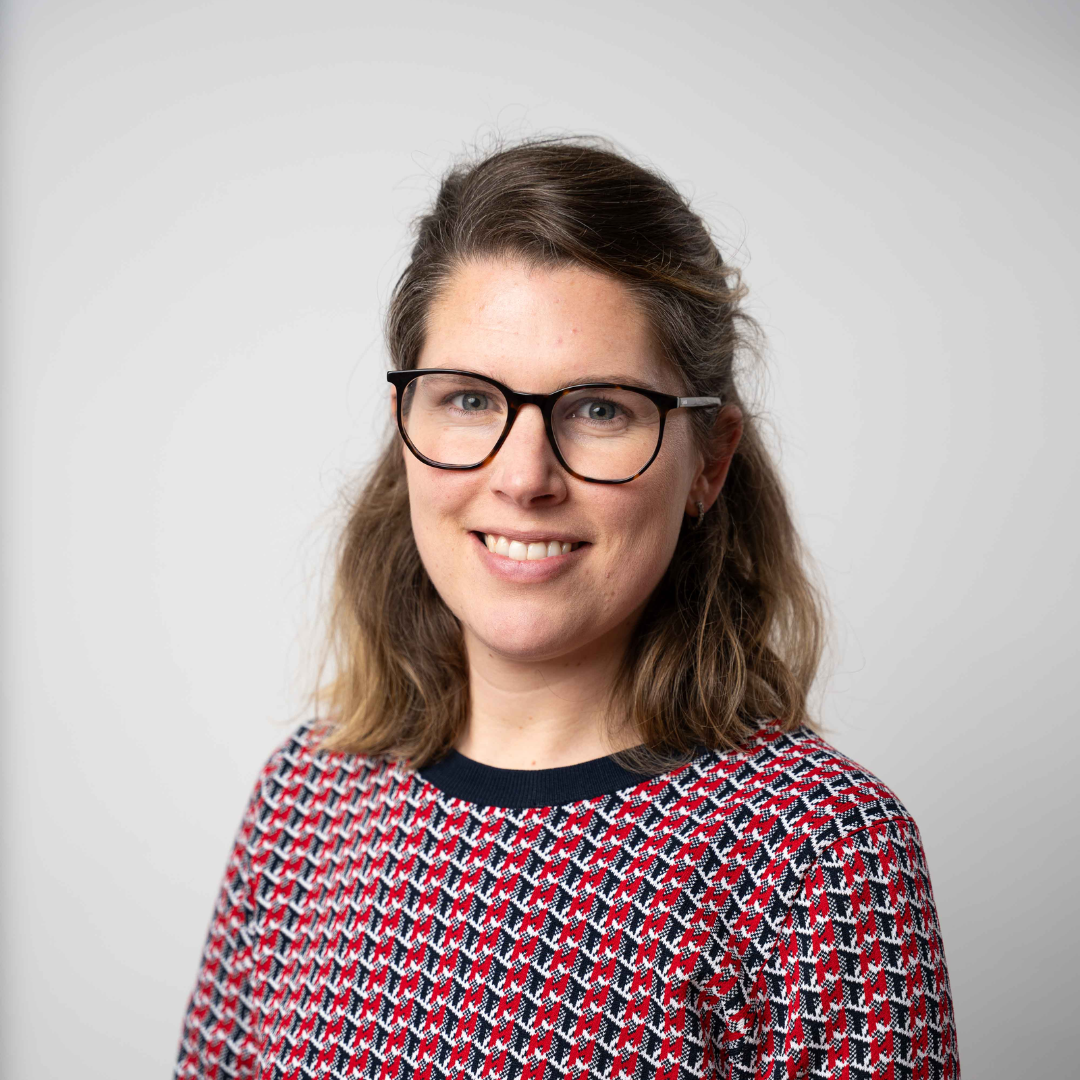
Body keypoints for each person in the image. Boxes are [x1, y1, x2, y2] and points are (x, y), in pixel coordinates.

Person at [174, 136, 960, 1079]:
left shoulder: (815, 856)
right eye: (469, 399)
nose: (524, 477)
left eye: (599, 409)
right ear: (405, 429)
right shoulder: (307, 797)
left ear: (709, 461)